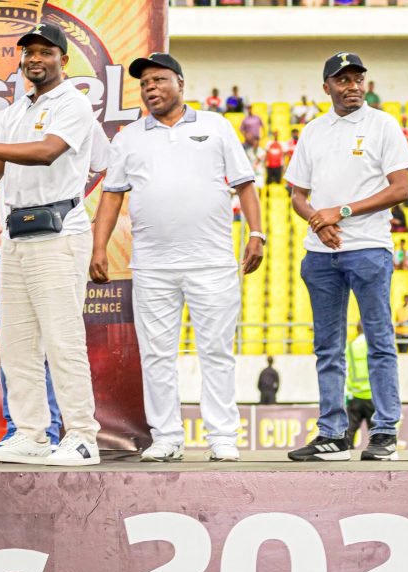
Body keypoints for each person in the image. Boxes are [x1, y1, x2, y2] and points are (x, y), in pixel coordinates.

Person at [0, 23, 102, 466]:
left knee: (62, 341)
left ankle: (83, 435)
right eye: (28, 52)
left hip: (59, 232)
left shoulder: (74, 103)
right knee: (17, 344)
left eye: (45, 51)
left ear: (63, 60)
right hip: (14, 236)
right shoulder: (10, 113)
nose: (34, 58)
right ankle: (32, 433)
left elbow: (48, 151)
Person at [91, 53, 262, 463]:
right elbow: (112, 196)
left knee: (217, 352)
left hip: (213, 262)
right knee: (156, 354)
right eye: (145, 83)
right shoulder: (129, 137)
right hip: (152, 265)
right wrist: (99, 248)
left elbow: (245, 185)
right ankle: (166, 435)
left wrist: (256, 232)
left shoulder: (216, 126)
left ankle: (222, 436)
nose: (150, 88)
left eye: (159, 80)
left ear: (180, 84)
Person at [287, 52, 408, 462]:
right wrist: (318, 222)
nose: (352, 85)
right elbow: (298, 196)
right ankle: (333, 434)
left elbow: (401, 189)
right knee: (327, 347)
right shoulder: (313, 131)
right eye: (342, 80)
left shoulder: (383, 124)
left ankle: (385, 431)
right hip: (321, 254)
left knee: (379, 342)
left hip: (369, 248)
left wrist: (340, 212)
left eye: (358, 78)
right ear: (327, 87)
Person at [344, 322, 373, 448]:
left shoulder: (350, 346)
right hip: (372, 395)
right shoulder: (374, 346)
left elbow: (346, 369)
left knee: (349, 431)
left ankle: (346, 452)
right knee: (376, 432)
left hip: (355, 395)